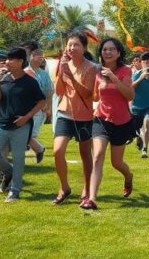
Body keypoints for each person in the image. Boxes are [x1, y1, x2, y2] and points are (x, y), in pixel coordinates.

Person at [0, 47, 46, 202]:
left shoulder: (30, 82)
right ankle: (9, 171)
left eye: (11, 59)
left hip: (21, 126)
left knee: (19, 158)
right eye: (7, 58)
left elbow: (41, 102)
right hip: (1, 124)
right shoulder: (4, 78)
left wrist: (26, 117)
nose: (7, 62)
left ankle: (15, 190)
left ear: (20, 62)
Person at [86, 38, 134, 210]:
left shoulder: (125, 71)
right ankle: (92, 198)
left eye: (111, 49)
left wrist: (113, 78)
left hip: (121, 122)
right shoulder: (98, 72)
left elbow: (129, 96)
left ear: (118, 53)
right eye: (104, 49)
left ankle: (128, 176)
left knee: (116, 163)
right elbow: (95, 97)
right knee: (98, 156)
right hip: (101, 119)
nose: (107, 52)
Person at [52, 31, 97, 205]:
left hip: (84, 116)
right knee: (57, 151)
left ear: (84, 47)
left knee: (85, 154)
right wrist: (62, 72)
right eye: (70, 44)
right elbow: (59, 91)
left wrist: (71, 77)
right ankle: (64, 187)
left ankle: (86, 188)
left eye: (76, 44)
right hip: (65, 113)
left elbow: (88, 93)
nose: (71, 48)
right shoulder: (64, 65)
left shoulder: (91, 68)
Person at [24, 48, 51, 163]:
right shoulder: (24, 72)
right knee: (25, 133)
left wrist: (48, 107)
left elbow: (49, 91)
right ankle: (39, 149)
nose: (41, 59)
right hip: (25, 108)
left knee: (30, 134)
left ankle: (38, 150)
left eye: (42, 57)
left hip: (39, 109)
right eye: (39, 56)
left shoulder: (44, 74)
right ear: (31, 57)